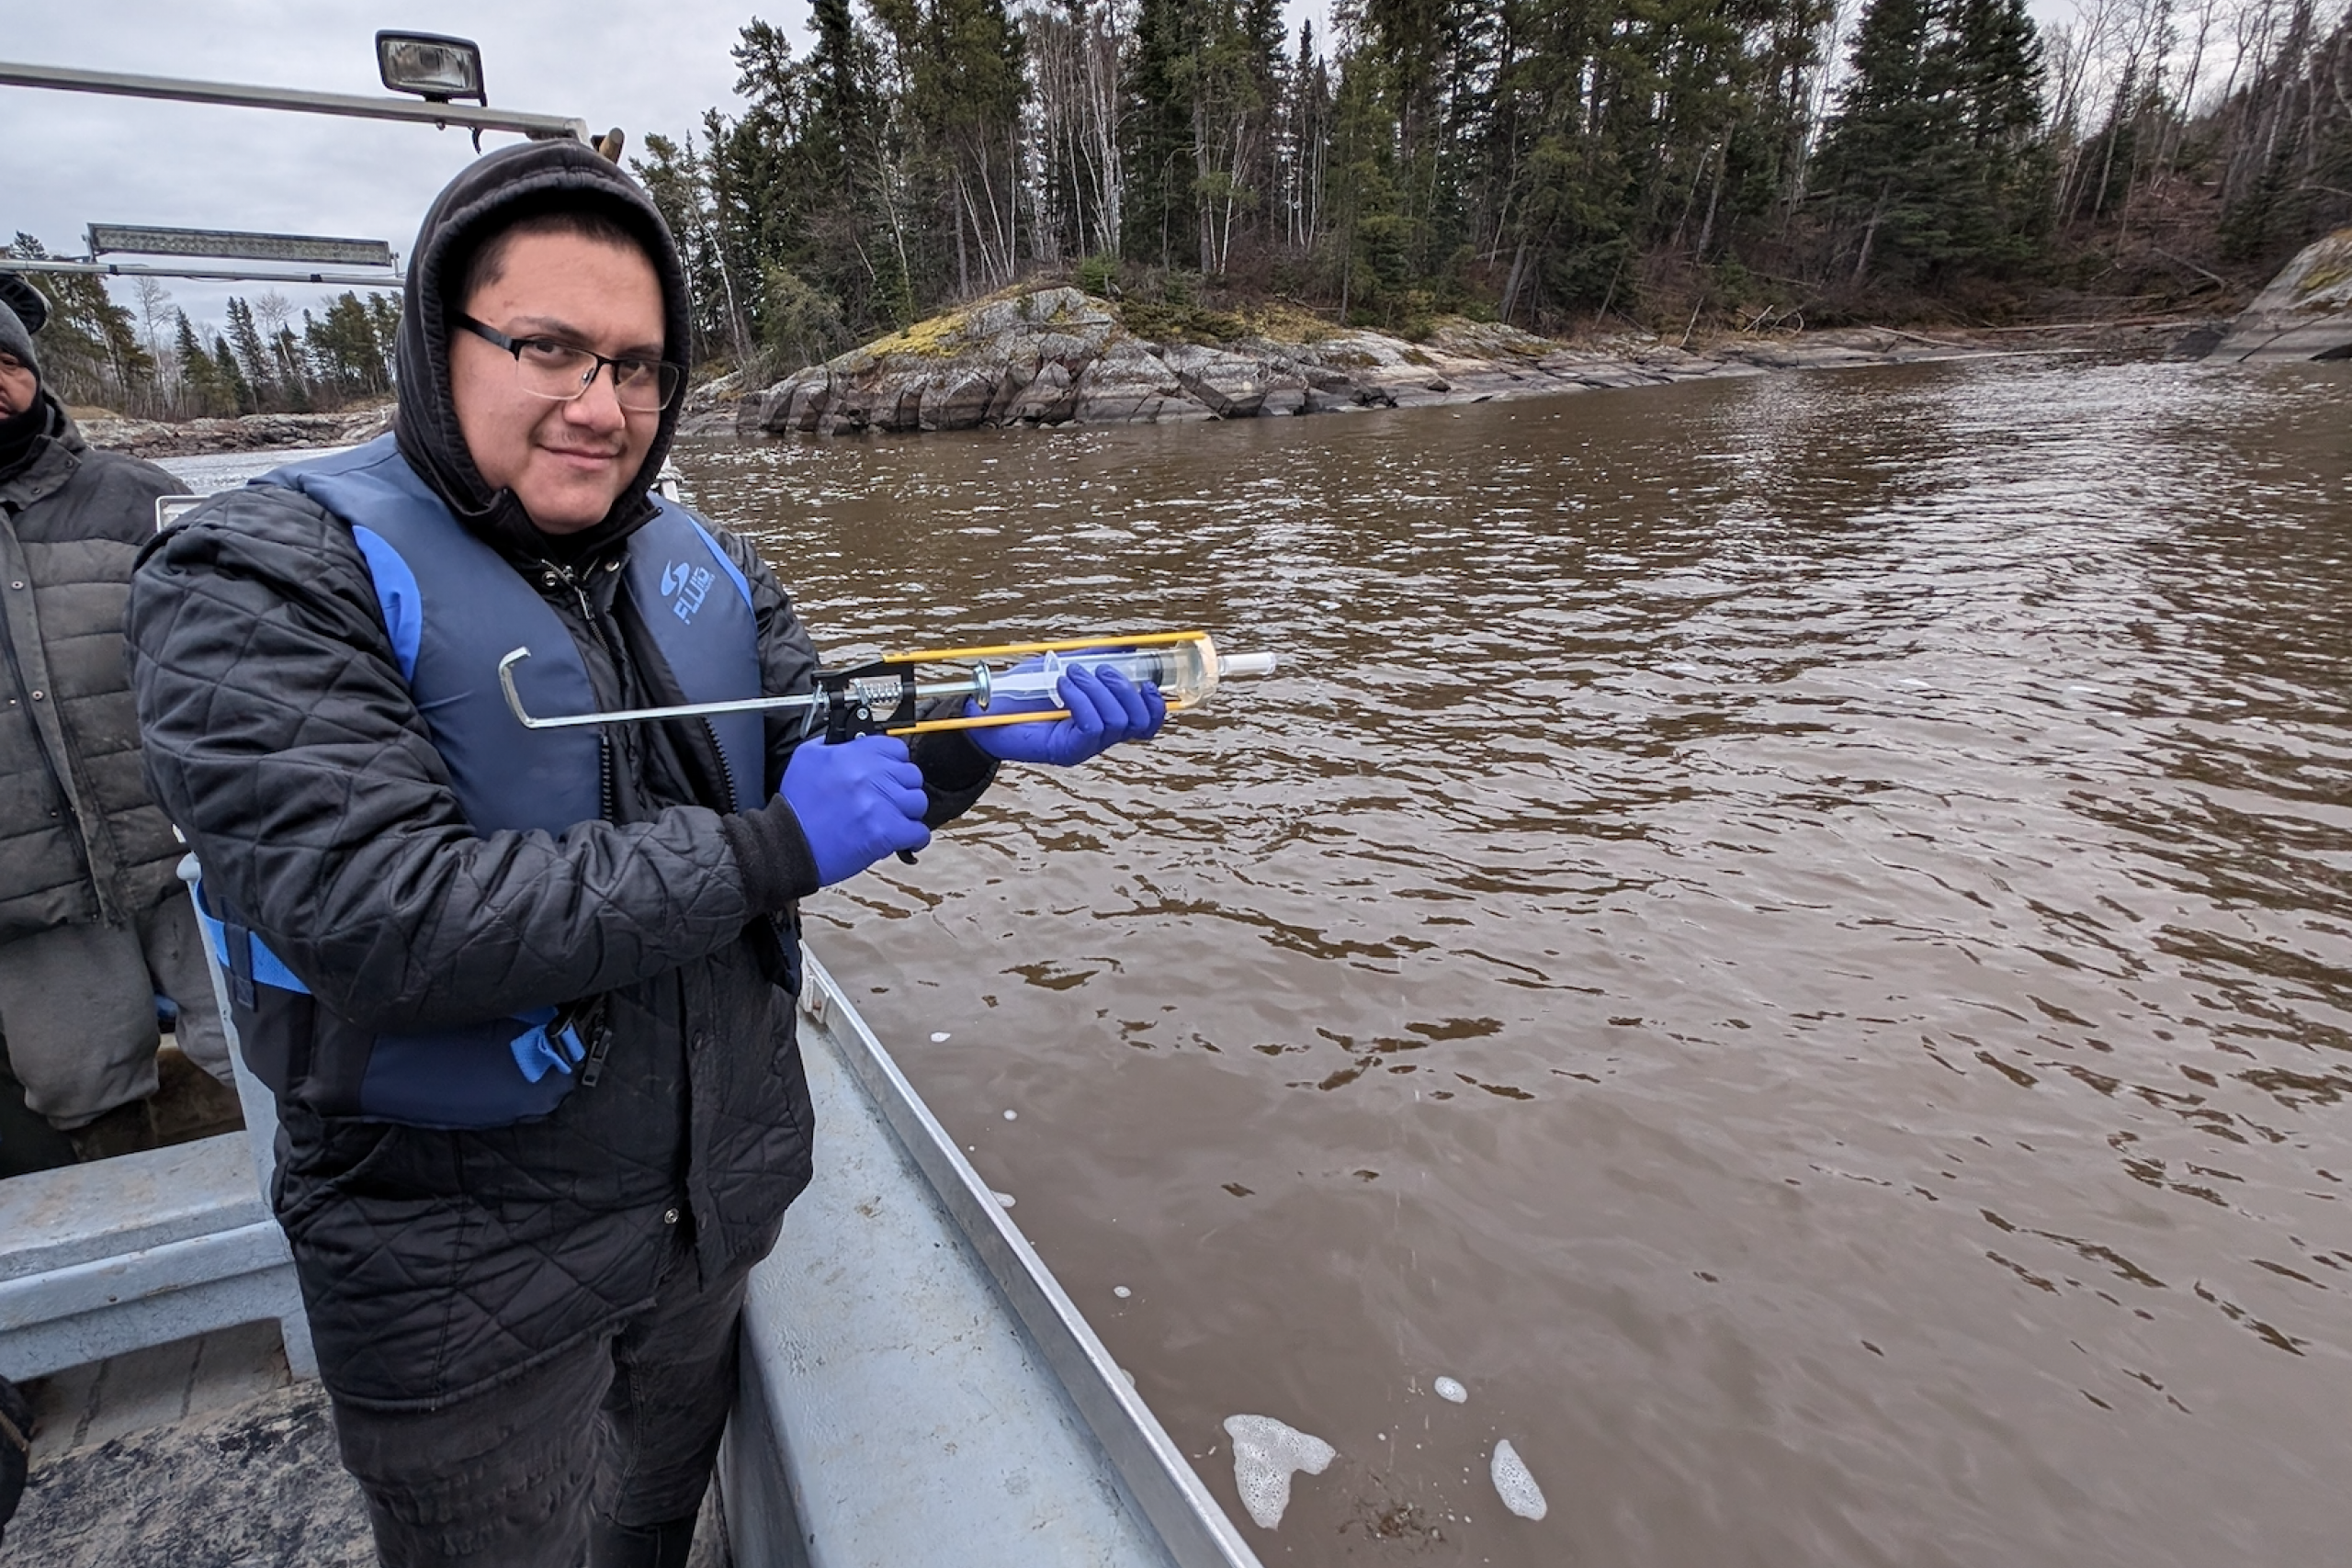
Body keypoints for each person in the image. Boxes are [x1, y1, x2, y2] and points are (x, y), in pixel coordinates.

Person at [126, 141, 1164, 1568]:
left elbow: (819, 744)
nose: (599, 405)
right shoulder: (257, 575)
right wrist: (767, 850)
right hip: (459, 1279)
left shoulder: (710, 560)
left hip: (704, 1220)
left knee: (649, 1532)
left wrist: (983, 732)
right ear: (440, 342)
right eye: (547, 347)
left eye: (638, 365)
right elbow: (374, 915)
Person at [0, 272, 233, 1161]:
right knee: (81, 1087)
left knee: (259, 1044)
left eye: (4, 363)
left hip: (187, 854)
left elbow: (240, 648)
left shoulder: (139, 493)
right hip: (24, 892)